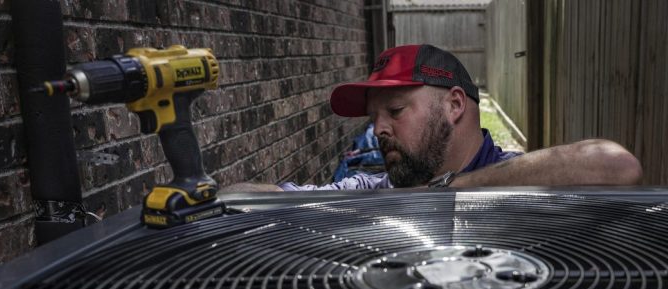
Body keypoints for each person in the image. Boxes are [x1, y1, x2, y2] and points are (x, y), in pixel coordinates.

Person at [224, 44, 642, 192]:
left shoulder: (516, 176)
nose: (378, 130)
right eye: (373, 117)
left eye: (395, 111)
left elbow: (617, 165)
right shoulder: (374, 187)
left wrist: (448, 188)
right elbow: (259, 200)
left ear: (455, 105)